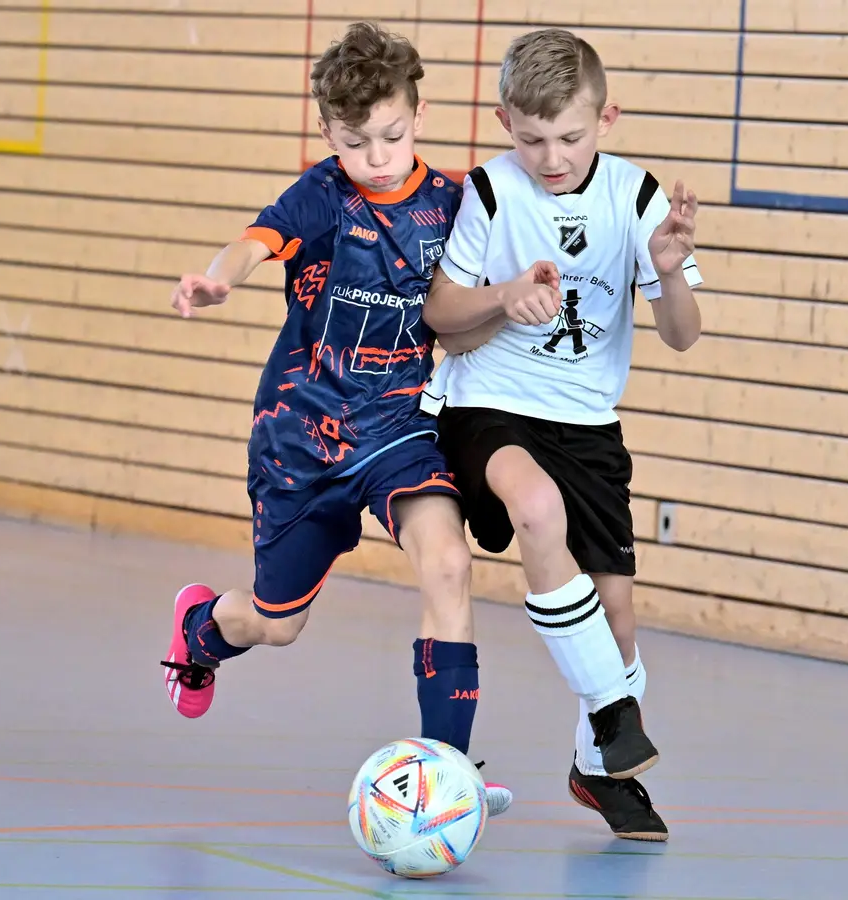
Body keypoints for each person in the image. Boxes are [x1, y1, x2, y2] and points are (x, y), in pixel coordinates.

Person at [157, 21, 511, 817]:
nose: (377, 157)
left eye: (392, 136)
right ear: (328, 133)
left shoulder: (454, 203)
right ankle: (201, 630)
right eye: (356, 143)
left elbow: (472, 299)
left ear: (418, 115)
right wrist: (218, 281)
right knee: (276, 624)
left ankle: (447, 775)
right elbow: (251, 245)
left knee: (448, 564)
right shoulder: (322, 195)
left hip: (398, 429)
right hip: (302, 438)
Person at [419, 28, 704, 842]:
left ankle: (595, 767)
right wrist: (504, 296)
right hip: (489, 407)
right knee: (537, 509)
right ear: (504, 122)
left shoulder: (637, 199)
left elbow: (682, 335)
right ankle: (614, 711)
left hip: (587, 425)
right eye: (532, 139)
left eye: (571, 138)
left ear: (606, 119)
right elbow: (441, 315)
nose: (551, 158)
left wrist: (670, 269)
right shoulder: (489, 192)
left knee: (617, 622)